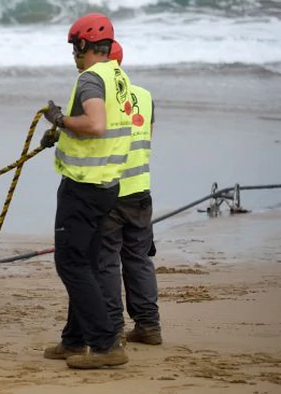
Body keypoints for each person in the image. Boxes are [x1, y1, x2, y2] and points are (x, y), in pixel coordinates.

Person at [40, 13, 132, 369]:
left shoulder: (91, 79)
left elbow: (95, 124)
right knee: (87, 263)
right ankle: (74, 341)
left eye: (73, 48)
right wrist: (63, 131)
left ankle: (105, 345)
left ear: (83, 45)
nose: (73, 56)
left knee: (71, 263)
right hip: (107, 184)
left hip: (84, 186)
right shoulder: (117, 76)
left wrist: (60, 120)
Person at [98, 41, 162, 345]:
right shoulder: (146, 97)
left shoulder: (98, 99)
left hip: (109, 192)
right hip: (140, 191)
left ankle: (112, 329)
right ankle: (149, 326)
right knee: (138, 259)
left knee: (106, 261)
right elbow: (147, 136)